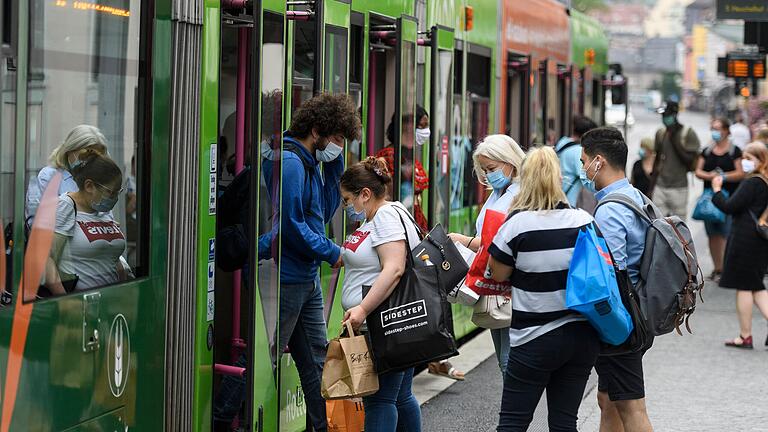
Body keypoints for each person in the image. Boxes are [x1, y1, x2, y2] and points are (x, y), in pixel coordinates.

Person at [212, 93, 361, 431]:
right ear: (317, 129)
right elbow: (292, 228)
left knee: (316, 359)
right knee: (264, 355)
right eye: (338, 138)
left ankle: (319, 426)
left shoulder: (309, 161)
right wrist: (332, 252)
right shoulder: (292, 162)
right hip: (284, 276)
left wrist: (336, 163)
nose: (339, 146)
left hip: (303, 276)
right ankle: (221, 419)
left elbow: (321, 212)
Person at [487, 147, 600, 432]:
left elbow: (498, 273)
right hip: (581, 336)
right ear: (558, 179)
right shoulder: (585, 221)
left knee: (513, 422)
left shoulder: (516, 225)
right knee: (564, 423)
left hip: (533, 338)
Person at [339, 157, 422, 432]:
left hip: (383, 323)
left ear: (365, 194)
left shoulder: (385, 216)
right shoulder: (388, 213)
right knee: (399, 397)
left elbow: (394, 268)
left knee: (380, 400)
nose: (347, 207)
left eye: (348, 200)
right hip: (392, 322)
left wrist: (362, 309)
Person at [580, 127, 654, 432]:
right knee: (607, 399)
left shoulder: (610, 210)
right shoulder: (634, 196)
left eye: (584, 160)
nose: (583, 168)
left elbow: (611, 275)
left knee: (632, 406)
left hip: (621, 320)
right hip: (638, 311)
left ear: (599, 161)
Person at [448, 134, 525, 373]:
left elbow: (502, 239)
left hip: (510, 285)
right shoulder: (498, 193)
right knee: (504, 358)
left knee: (508, 359)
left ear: (510, 162)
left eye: (491, 168)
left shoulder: (520, 194)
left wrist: (464, 241)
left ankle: (515, 410)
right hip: (494, 282)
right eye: (483, 169)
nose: (487, 174)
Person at [43, 151, 128, 296]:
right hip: (81, 304)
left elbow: (112, 257)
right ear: (89, 186)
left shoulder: (102, 210)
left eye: (117, 193)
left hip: (111, 302)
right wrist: (64, 301)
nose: (115, 199)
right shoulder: (67, 205)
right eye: (111, 192)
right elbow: (48, 259)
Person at [712, 142, 768, 349]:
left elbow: (729, 207)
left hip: (746, 240)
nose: (744, 162)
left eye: (749, 158)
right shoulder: (765, 182)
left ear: (761, 161)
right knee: (756, 287)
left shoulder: (753, 182)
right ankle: (745, 335)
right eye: (743, 157)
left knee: (745, 287)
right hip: (759, 241)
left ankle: (745, 336)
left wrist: (717, 190)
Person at [694, 118, 744, 281]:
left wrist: (723, 177)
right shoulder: (707, 150)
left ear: (726, 131)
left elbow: (740, 173)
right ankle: (718, 268)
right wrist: (709, 175)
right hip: (709, 198)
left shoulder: (734, 151)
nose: (715, 132)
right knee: (712, 234)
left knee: (726, 233)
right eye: (712, 128)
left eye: (718, 128)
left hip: (728, 197)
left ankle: (727, 269)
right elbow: (698, 171)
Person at [26, 125, 109, 223]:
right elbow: (37, 223)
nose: (91, 160)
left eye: (97, 156)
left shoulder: (99, 180)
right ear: (70, 150)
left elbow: (107, 217)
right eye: (87, 153)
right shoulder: (49, 176)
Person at [378, 105, 430, 232]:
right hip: (397, 222)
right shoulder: (389, 156)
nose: (426, 130)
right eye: (422, 125)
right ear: (406, 126)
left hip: (412, 218)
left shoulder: (409, 154)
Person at [651, 100, 700, 217]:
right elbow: (657, 159)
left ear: (674, 115)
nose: (664, 118)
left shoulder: (687, 133)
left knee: (678, 228)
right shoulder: (661, 133)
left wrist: (674, 140)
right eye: (662, 115)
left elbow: (690, 161)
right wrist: (651, 187)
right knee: (657, 224)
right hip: (660, 186)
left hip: (679, 187)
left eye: (666, 115)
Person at [555, 115, 598, 206]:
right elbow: (585, 176)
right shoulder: (577, 151)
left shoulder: (563, 143)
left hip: (558, 196)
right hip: (568, 203)